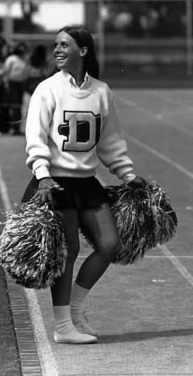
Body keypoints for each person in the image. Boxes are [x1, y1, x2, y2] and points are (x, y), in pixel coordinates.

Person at [22, 26, 146, 344]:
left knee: (110, 244)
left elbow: (110, 142)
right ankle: (63, 326)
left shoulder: (101, 92)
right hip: (54, 182)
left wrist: (128, 175)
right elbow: (35, 136)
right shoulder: (47, 90)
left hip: (87, 182)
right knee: (69, 251)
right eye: (56, 45)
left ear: (84, 50)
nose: (58, 50)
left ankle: (75, 312)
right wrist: (41, 171)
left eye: (65, 44)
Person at [4, 42, 29, 135]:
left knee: (18, 106)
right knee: (13, 105)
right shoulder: (11, 59)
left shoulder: (24, 60)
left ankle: (17, 127)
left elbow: (26, 72)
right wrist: (6, 83)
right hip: (12, 83)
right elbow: (6, 71)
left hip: (20, 84)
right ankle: (11, 127)